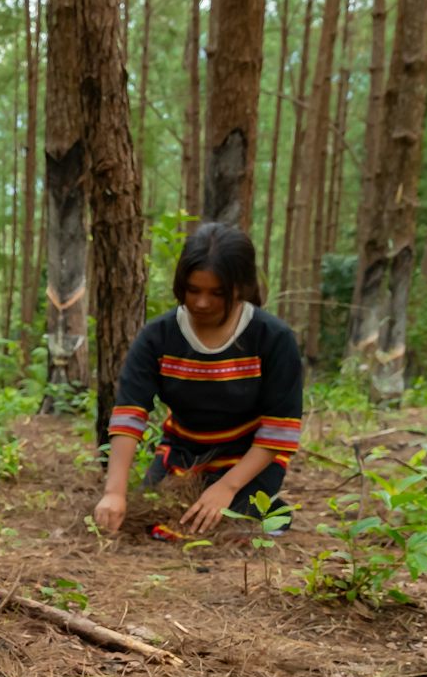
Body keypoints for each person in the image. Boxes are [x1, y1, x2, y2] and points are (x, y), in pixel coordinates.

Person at [94, 222, 303, 536]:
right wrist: (114, 493)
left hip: (249, 459)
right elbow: (129, 414)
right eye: (194, 290)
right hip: (182, 455)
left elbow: (279, 430)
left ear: (240, 287)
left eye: (216, 293)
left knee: (231, 527)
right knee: (158, 522)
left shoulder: (273, 338)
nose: (202, 302)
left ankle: (266, 506)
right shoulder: (158, 336)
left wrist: (227, 487)